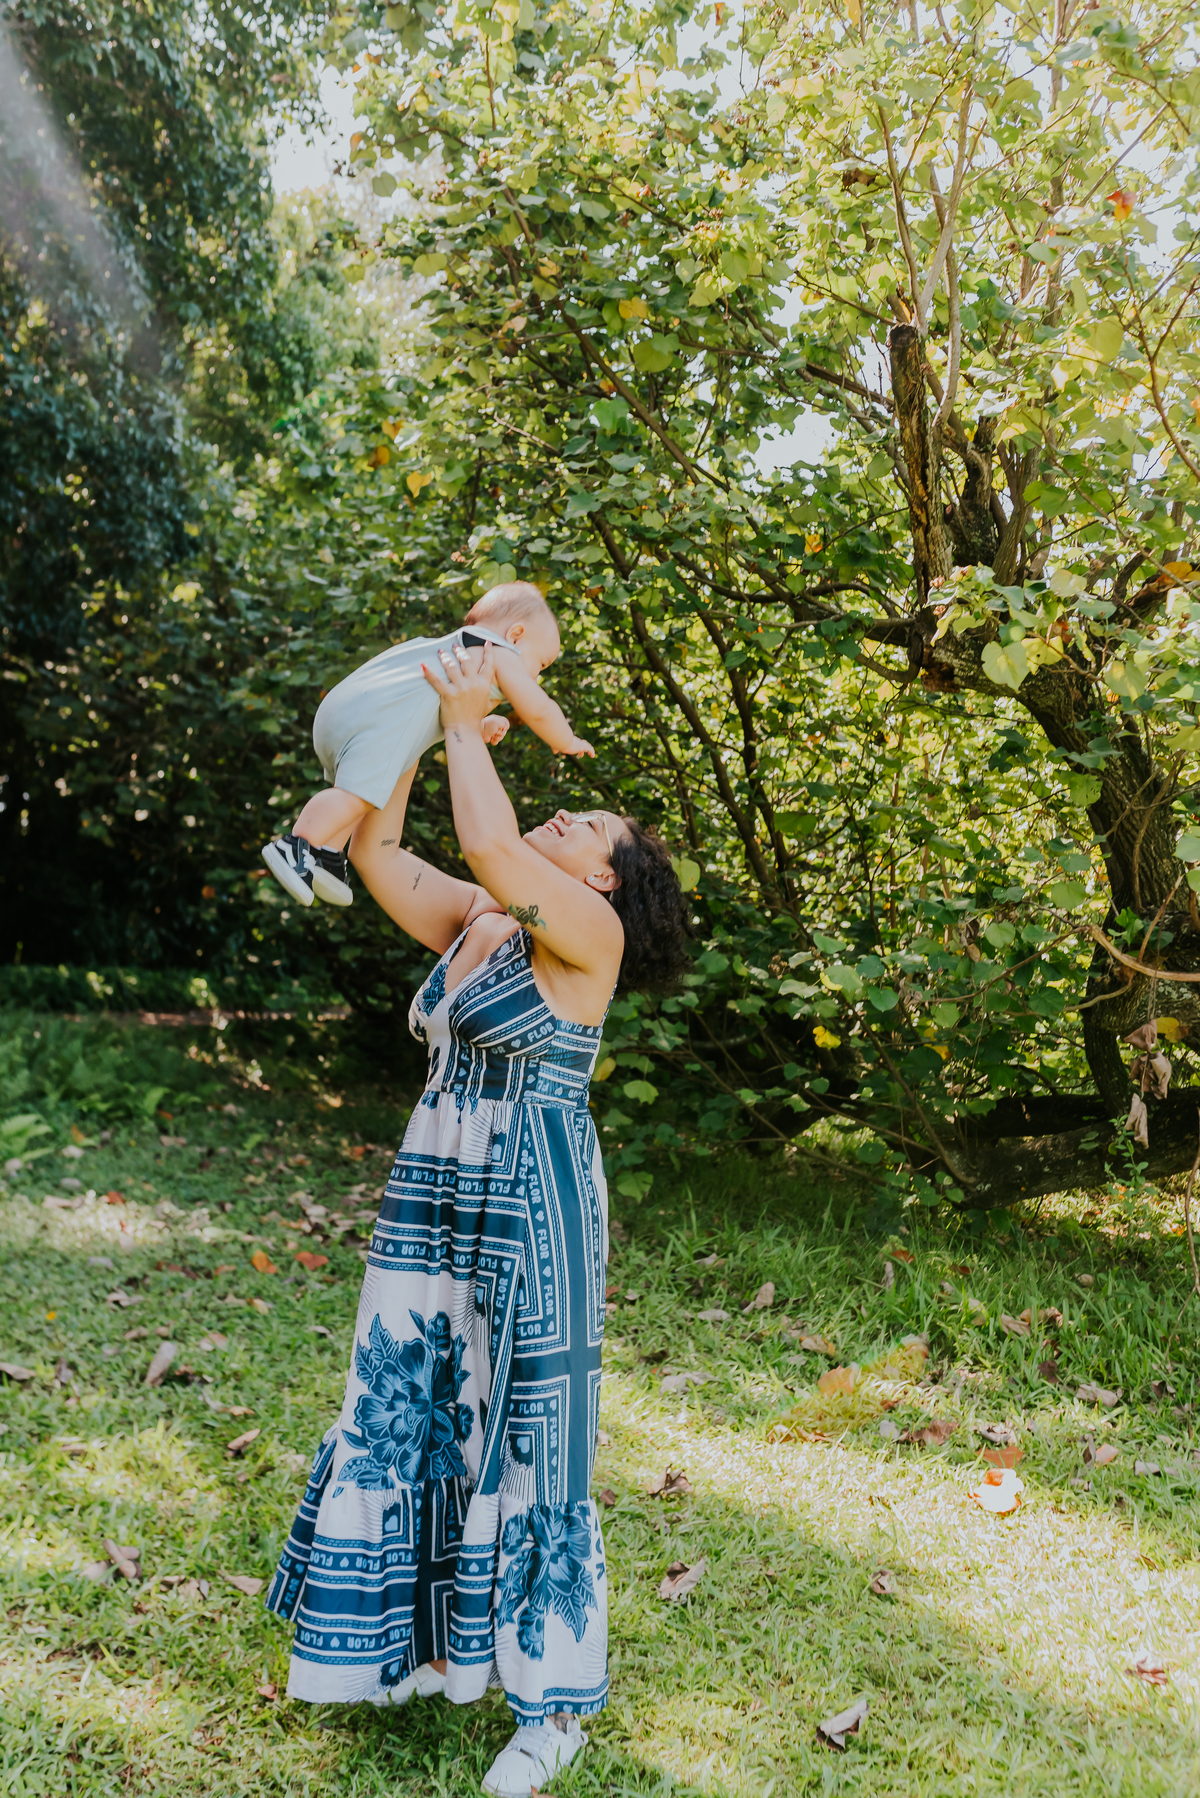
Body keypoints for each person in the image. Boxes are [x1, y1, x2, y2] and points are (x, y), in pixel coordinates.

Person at [265, 639, 690, 1796]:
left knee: (536, 1439)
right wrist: (405, 743)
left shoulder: (584, 943)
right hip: (433, 1192)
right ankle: (407, 1655)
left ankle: (553, 1711)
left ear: (607, 879)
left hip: (532, 1198)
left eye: (585, 827)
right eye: (564, 816)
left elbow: (493, 843)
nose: (561, 822)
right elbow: (383, 848)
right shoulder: (480, 926)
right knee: (410, 1410)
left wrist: (461, 715)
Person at [260, 582, 594, 911]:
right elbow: (539, 708)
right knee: (356, 794)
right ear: (516, 636)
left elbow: (438, 710)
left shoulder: (462, 652)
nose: (537, 677)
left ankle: (325, 853)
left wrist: (480, 724)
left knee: (372, 792)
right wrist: (566, 739)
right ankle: (297, 846)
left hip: (363, 716)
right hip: (376, 720)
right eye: (543, 664)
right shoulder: (499, 652)